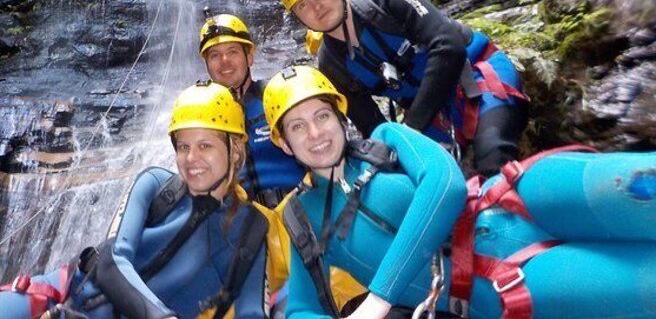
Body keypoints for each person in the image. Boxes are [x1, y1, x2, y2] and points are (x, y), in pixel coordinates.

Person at [262, 65, 656, 319]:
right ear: (282, 142)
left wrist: (378, 300)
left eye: (321, 116)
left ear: (339, 116)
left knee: (642, 183)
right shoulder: (303, 218)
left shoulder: (386, 139)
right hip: (503, 281)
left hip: (525, 196)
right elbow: (299, 307)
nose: (315, 133)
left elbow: (446, 185)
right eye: (297, 126)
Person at [0, 81, 270, 319]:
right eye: (183, 146)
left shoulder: (252, 229)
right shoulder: (156, 185)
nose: (191, 158)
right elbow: (110, 261)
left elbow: (252, 312)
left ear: (235, 150)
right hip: (61, 296)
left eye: (206, 145)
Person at [273, 0, 529, 176]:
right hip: (431, 115)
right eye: (303, 5)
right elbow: (371, 125)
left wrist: (411, 131)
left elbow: (448, 45)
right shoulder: (332, 66)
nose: (317, 6)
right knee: (416, 178)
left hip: (475, 73)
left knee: (493, 155)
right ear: (297, 17)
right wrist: (398, 151)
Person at [199, 11, 306, 208]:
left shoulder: (278, 95)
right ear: (207, 65)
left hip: (301, 207)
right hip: (246, 222)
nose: (224, 61)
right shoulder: (203, 117)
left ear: (249, 58)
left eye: (232, 51)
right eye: (215, 55)